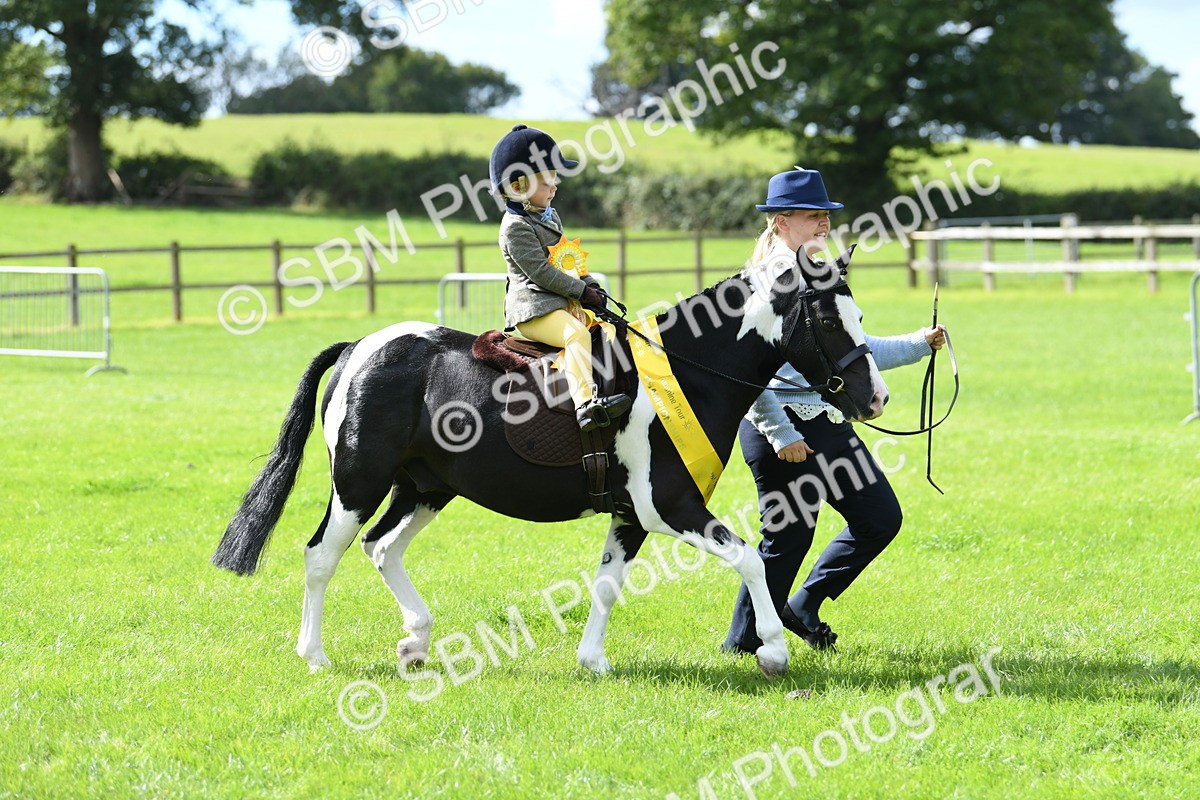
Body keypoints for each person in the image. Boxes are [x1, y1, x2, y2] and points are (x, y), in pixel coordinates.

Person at [722, 168, 947, 654]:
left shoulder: (819, 272)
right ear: (781, 221)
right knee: (788, 537)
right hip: (778, 425)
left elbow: (852, 353)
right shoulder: (764, 281)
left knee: (877, 517)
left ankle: (800, 606)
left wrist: (917, 345)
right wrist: (780, 434)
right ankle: (741, 645)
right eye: (812, 215)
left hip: (822, 422)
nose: (823, 223)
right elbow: (746, 374)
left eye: (826, 215)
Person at [490, 124, 631, 431]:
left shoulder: (550, 215)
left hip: (561, 301)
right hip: (534, 309)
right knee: (576, 335)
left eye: (554, 178)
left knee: (607, 331)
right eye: (546, 181)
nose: (554, 186)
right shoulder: (515, 227)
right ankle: (585, 405)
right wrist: (581, 292)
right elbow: (541, 273)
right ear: (518, 187)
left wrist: (590, 283)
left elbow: (568, 257)